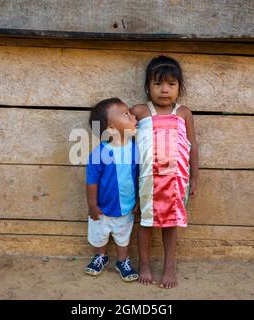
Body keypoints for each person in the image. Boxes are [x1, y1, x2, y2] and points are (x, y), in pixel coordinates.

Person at [130, 56, 199, 288]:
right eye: (158, 84)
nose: (164, 90)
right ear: (148, 87)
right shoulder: (140, 112)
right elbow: (122, 141)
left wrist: (195, 177)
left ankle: (169, 266)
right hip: (147, 180)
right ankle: (145, 264)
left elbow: (192, 146)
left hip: (176, 180)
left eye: (171, 84)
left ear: (180, 88)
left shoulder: (184, 113)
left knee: (171, 223)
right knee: (146, 222)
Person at [84, 97, 140, 282]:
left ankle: (122, 260)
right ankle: (101, 256)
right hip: (102, 208)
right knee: (99, 234)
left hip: (126, 206)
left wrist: (139, 200)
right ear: (112, 129)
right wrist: (92, 205)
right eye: (126, 115)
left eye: (130, 113)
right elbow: (92, 180)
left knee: (123, 236)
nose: (133, 117)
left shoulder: (135, 150)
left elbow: (139, 176)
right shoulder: (100, 153)